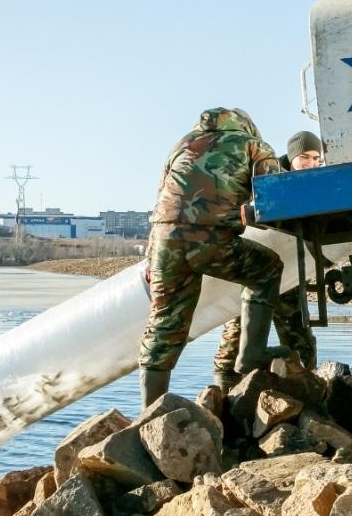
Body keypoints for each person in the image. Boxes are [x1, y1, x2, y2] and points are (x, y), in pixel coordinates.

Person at [138, 107, 290, 410]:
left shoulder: (181, 145)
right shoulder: (253, 145)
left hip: (166, 240)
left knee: (165, 322)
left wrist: (151, 256)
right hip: (212, 237)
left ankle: (150, 412)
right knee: (267, 269)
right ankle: (252, 355)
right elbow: (276, 194)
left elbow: (161, 201)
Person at [213, 130, 324, 386]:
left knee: (300, 337)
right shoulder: (267, 179)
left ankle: (304, 390)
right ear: (292, 156)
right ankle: (223, 390)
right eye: (305, 157)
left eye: (316, 158)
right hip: (254, 270)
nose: (311, 164)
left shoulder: (317, 183)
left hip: (289, 273)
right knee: (237, 329)